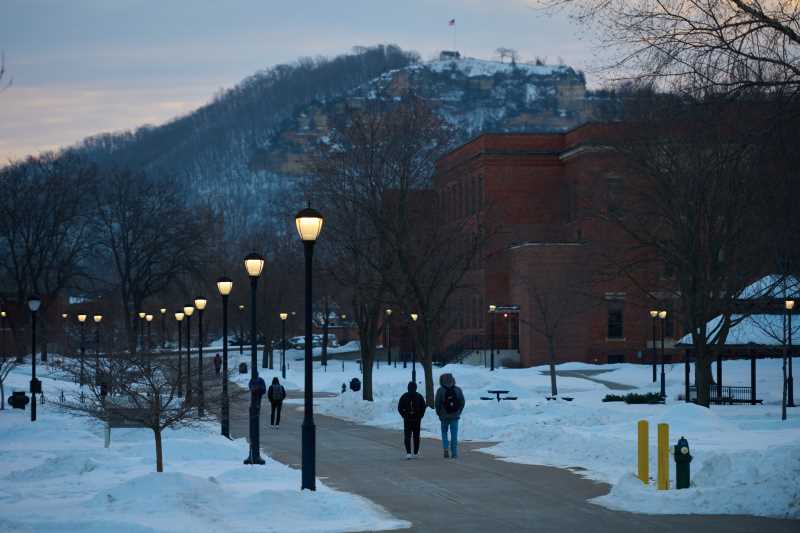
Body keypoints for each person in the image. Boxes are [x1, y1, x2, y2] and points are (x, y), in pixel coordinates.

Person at [435, 373, 465, 459]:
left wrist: (439, 413)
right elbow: (462, 402)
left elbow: (437, 403)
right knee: (454, 434)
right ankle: (454, 453)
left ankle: (445, 449)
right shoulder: (458, 390)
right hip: (455, 416)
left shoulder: (440, 390)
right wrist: (459, 411)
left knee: (444, 433)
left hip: (444, 416)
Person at [397, 381, 426, 459]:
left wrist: (404, 415)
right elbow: (423, 406)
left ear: (408, 388)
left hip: (407, 420)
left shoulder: (404, 396)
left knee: (407, 436)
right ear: (416, 388)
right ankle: (416, 452)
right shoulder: (419, 396)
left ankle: (408, 453)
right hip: (417, 420)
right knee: (416, 436)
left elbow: (399, 408)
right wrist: (421, 415)